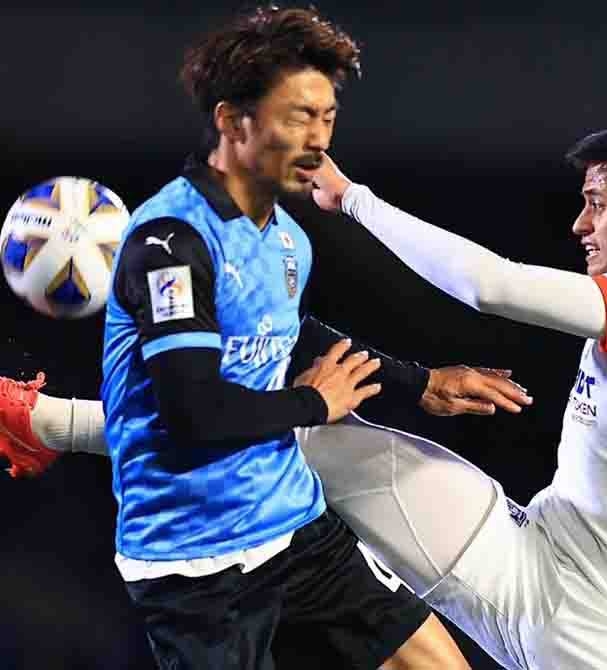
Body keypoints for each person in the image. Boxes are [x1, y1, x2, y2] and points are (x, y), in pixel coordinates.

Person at [2, 114, 607, 669]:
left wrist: (350, 199)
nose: (580, 221)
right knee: (308, 435)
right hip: (534, 548)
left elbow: (490, 286)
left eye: (597, 201)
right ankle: (42, 421)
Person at [3, 6, 535, 669]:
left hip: (295, 528)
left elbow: (291, 333)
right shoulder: (171, 243)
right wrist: (313, 405)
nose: (317, 141)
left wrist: (418, 382)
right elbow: (192, 413)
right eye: (296, 118)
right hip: (196, 564)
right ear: (232, 121)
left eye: (327, 119)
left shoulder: (285, 238)